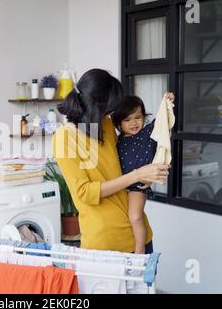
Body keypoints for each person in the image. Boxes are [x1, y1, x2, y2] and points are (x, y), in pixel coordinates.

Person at [52, 69, 170, 253]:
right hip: (107, 242)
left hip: (139, 233)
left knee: (146, 283)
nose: (111, 114)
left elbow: (123, 160)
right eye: (108, 108)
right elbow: (84, 192)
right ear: (95, 106)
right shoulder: (64, 138)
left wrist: (146, 172)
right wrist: (137, 174)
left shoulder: (104, 124)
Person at [112, 92, 175, 254]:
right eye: (127, 120)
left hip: (137, 185)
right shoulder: (117, 140)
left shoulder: (147, 133)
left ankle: (140, 249)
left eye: (138, 117)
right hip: (121, 185)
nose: (133, 123)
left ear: (144, 117)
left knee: (135, 217)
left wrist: (167, 102)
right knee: (125, 218)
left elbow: (162, 120)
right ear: (119, 123)